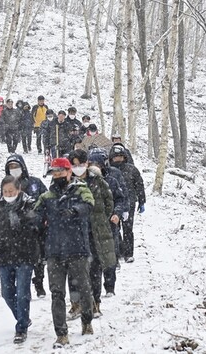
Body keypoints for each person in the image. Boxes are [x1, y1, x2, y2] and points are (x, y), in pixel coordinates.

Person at [34, 158, 95, 348]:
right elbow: (35, 214)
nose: (58, 175)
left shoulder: (80, 189)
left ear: (69, 172)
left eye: (61, 171)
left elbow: (89, 204)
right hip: (54, 252)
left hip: (77, 249)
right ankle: (61, 333)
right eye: (55, 172)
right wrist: (32, 219)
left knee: (84, 289)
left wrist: (75, 210)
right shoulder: (47, 196)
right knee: (57, 293)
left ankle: (87, 321)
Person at [0, 176, 39, 344]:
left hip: (25, 256)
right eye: (5, 191)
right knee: (7, 294)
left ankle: (21, 328)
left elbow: (36, 229)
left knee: (22, 293)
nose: (8, 194)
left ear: (19, 190)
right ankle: (23, 317)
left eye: (11, 191)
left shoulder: (29, 206)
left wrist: (23, 222)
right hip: (5, 257)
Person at [68, 149, 117, 318]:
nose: (78, 168)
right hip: (75, 233)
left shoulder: (97, 181)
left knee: (95, 269)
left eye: (80, 164)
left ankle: (95, 303)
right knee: (74, 271)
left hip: (94, 231)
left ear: (87, 163)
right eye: (74, 165)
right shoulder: (68, 184)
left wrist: (100, 218)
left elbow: (109, 202)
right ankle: (76, 304)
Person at [5, 154, 48, 297]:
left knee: (40, 257)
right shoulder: (7, 187)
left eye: (16, 167)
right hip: (18, 230)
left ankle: (39, 283)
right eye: (11, 167)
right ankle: (24, 287)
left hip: (38, 227)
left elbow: (46, 200)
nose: (14, 170)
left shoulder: (35, 183)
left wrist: (41, 218)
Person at [87, 147, 127, 296]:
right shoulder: (85, 181)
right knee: (94, 260)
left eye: (97, 164)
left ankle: (110, 286)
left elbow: (120, 198)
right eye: (91, 164)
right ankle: (94, 288)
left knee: (110, 256)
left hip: (109, 224)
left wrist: (117, 213)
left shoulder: (112, 180)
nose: (94, 167)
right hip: (92, 226)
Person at [110, 143, 146, 263]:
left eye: (120, 156)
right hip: (113, 203)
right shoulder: (109, 170)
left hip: (129, 202)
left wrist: (141, 201)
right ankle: (118, 250)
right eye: (116, 157)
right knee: (114, 228)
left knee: (128, 228)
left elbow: (139, 185)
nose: (118, 159)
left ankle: (128, 253)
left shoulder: (131, 169)